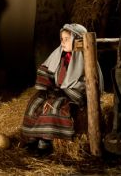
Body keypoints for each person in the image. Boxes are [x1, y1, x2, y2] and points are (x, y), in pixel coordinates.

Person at [21, 23, 104, 155]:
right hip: (56, 90)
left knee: (55, 106)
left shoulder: (85, 59)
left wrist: (65, 91)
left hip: (70, 95)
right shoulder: (59, 54)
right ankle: (32, 137)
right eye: (62, 39)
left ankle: (45, 141)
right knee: (35, 102)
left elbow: (86, 84)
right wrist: (47, 88)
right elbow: (47, 70)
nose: (63, 42)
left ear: (77, 40)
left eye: (67, 39)